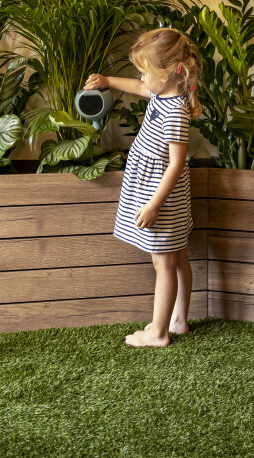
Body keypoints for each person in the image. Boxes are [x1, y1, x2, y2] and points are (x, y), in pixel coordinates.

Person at [84, 28, 201, 347]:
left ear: (168, 72)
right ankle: (177, 321)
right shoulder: (163, 92)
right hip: (161, 192)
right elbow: (138, 86)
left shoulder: (175, 111)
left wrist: (153, 205)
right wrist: (108, 81)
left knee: (163, 262)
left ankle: (158, 332)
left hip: (161, 195)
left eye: (145, 71)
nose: (141, 77)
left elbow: (176, 164)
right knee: (178, 256)